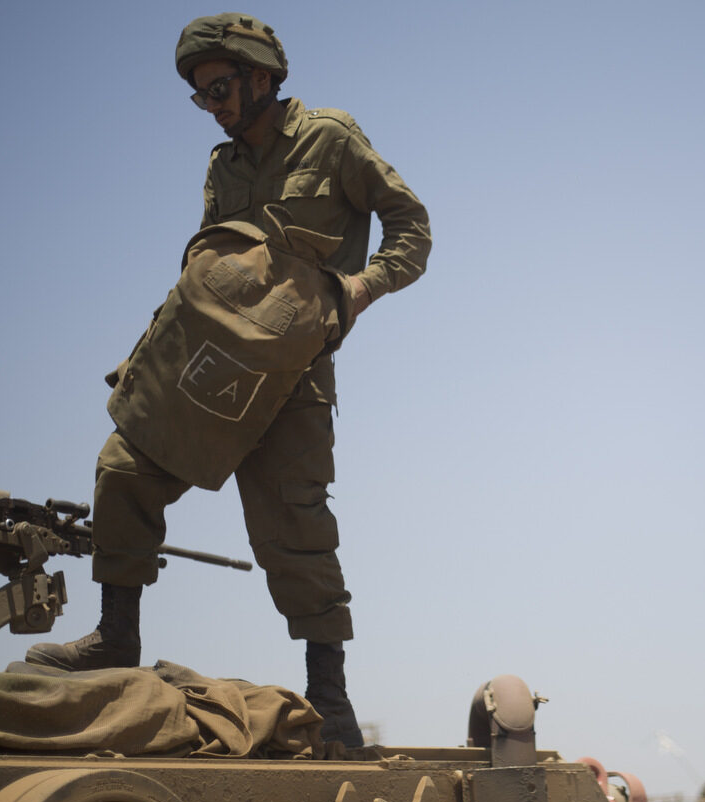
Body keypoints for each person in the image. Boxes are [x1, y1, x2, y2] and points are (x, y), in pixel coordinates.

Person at [27, 13, 431, 751]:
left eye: (218, 89)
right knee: (122, 467)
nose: (211, 107)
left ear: (261, 77)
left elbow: (413, 228)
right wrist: (149, 353)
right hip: (210, 368)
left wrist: (359, 290)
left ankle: (331, 703)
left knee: (297, 535)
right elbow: (204, 277)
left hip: (293, 377)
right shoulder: (222, 168)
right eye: (199, 97)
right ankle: (117, 637)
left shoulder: (331, 138)